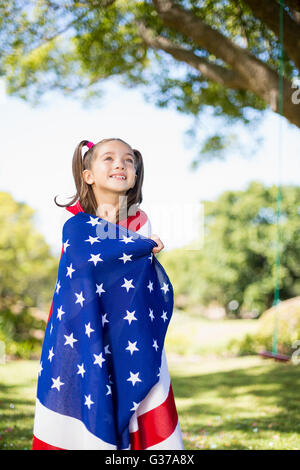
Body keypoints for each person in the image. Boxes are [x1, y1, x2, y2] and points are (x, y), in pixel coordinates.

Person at [32, 138, 184, 450]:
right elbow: (80, 276)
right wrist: (129, 247)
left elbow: (134, 278)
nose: (121, 165)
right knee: (87, 402)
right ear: (88, 175)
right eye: (109, 159)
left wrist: (139, 246)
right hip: (83, 332)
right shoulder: (74, 226)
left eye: (129, 161)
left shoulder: (140, 223)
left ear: (136, 175)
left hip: (130, 332)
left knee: (140, 404)